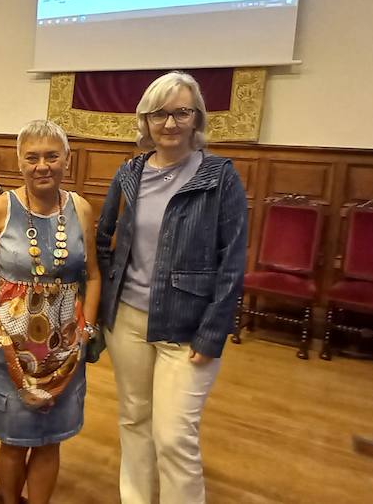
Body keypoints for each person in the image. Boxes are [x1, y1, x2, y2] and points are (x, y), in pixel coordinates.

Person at [94, 71, 248, 504]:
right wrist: (108, 300)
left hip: (187, 326)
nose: (170, 123)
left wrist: (214, 331)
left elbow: (232, 261)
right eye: (160, 113)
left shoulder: (220, 177)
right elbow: (104, 239)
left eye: (181, 112)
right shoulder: (130, 172)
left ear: (196, 118)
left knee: (175, 436)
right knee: (134, 420)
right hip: (127, 321)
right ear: (145, 120)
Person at [0, 120, 101, 504]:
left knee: (50, 442)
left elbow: (93, 276)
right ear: (20, 162)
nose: (42, 165)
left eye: (52, 156)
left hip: (65, 350)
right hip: (11, 348)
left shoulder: (81, 209)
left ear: (67, 160)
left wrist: (87, 329)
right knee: (14, 442)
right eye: (33, 158)